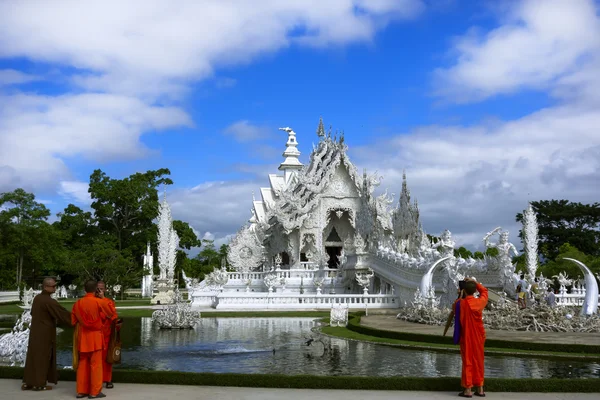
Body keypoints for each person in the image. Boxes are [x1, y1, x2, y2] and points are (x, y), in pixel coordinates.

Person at [22, 277, 72, 391]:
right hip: (44, 334)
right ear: (45, 287)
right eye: (53, 286)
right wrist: (78, 320)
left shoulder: (37, 299)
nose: (55, 288)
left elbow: (34, 313)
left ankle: (29, 382)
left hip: (35, 332)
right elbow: (62, 314)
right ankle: (39, 384)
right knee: (43, 357)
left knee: (33, 356)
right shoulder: (48, 301)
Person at [71, 280, 115, 399]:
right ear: (96, 289)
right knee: (96, 365)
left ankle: (81, 391)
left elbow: (73, 321)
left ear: (84, 289)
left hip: (83, 337)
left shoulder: (77, 303)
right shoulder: (99, 302)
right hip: (95, 337)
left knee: (82, 364)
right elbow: (111, 314)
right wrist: (103, 298)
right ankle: (94, 392)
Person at [456, 277, 488, 398]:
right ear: (475, 291)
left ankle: (468, 389)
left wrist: (460, 295)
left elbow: (455, 309)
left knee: (468, 361)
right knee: (479, 361)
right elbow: (485, 292)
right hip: (479, 336)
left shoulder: (460, 304)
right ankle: (480, 388)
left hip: (467, 336)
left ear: (463, 290)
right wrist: (475, 283)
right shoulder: (480, 302)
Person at [97, 281, 122, 389]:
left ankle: (107, 379)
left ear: (105, 290)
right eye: (97, 289)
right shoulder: (91, 301)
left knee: (107, 358)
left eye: (101, 289)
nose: (99, 291)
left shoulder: (108, 302)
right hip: (95, 333)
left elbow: (113, 316)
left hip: (106, 333)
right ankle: (95, 380)